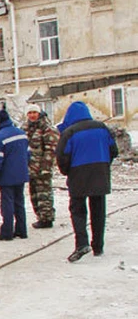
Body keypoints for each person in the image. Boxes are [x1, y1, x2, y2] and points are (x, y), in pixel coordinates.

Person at [55, 100, 118, 261]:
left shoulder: (69, 132)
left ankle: (81, 243)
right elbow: (113, 150)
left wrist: (67, 171)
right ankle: (98, 246)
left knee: (78, 210)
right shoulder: (101, 127)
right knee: (98, 210)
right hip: (100, 172)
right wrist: (104, 164)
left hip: (78, 173)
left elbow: (62, 157)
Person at [0, 108, 30, 241]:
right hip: (21, 174)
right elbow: (28, 154)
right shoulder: (22, 134)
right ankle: (21, 230)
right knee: (19, 202)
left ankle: (6, 232)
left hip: (6, 176)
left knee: (7, 204)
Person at [25, 104, 60, 229]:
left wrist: (45, 167)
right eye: (30, 113)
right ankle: (39, 216)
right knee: (34, 194)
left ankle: (46, 218)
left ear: (39, 113)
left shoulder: (47, 128)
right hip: (30, 168)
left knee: (44, 194)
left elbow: (51, 150)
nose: (32, 115)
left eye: (34, 112)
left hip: (42, 167)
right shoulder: (26, 128)